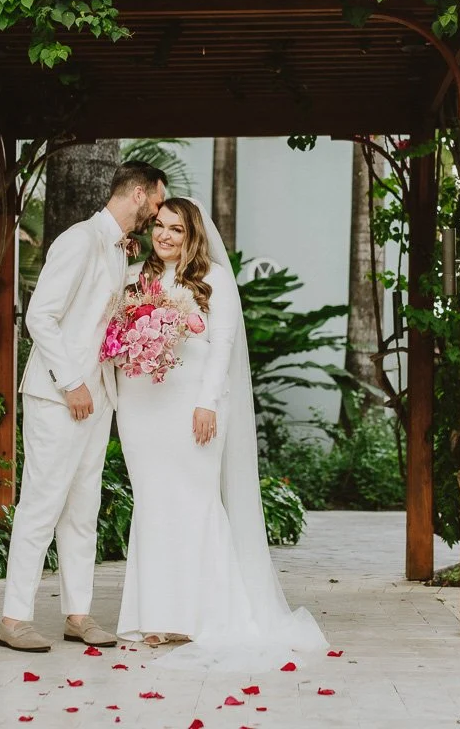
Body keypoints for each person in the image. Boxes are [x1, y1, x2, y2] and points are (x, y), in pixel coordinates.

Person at [115, 197, 328, 669]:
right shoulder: (136, 278)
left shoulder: (213, 279)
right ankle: (158, 616)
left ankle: (202, 615)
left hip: (193, 405)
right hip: (140, 405)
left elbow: (222, 344)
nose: (164, 235)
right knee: (152, 505)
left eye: (176, 228)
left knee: (196, 502)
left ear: (193, 234)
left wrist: (207, 402)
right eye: (159, 226)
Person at [0, 161, 168, 652]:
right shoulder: (78, 240)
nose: (157, 215)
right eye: (157, 203)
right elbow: (40, 316)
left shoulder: (118, 249)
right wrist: (71, 382)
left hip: (98, 399)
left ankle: (78, 614)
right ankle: (14, 619)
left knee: (83, 509)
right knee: (41, 504)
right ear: (138, 194)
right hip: (59, 397)